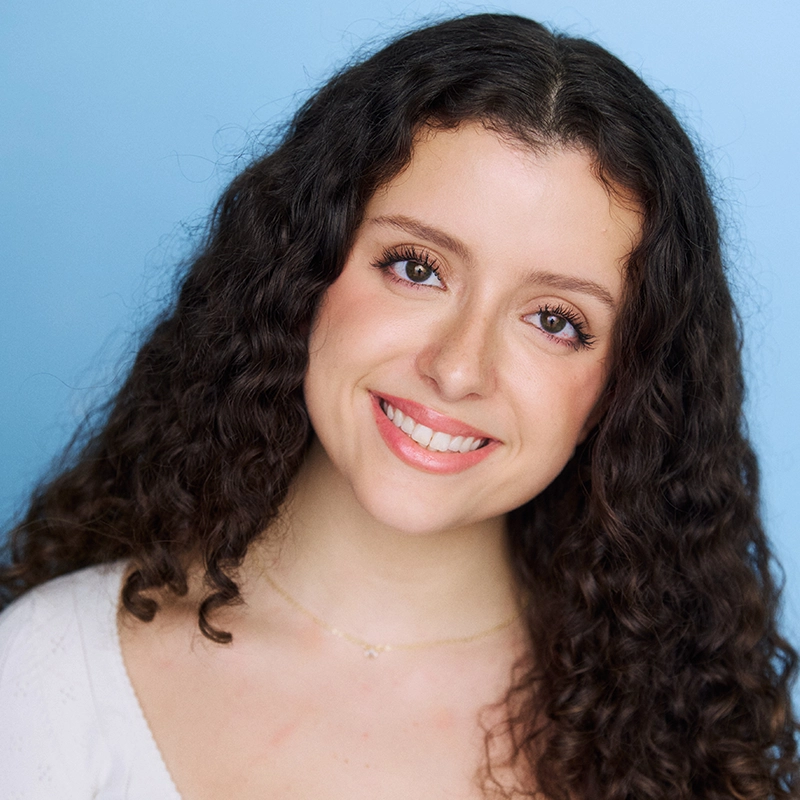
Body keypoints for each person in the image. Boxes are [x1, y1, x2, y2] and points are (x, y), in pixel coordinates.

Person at [0, 12, 797, 799]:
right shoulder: (57, 671)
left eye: (555, 320)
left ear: (625, 390)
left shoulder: (681, 747)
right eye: (417, 267)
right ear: (304, 268)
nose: (456, 370)